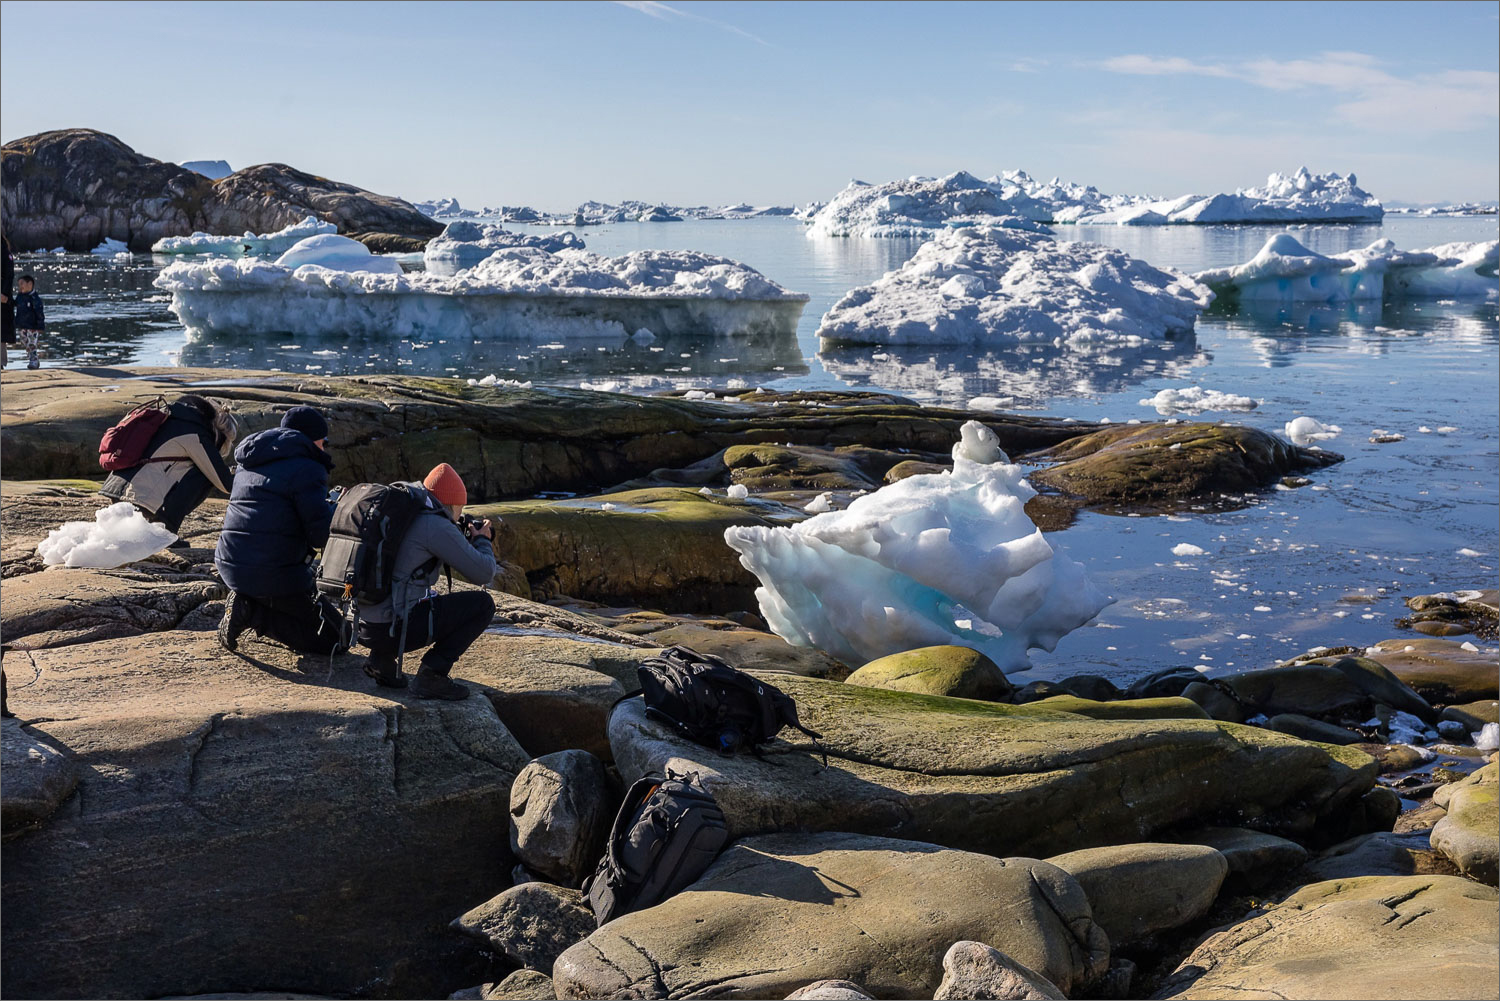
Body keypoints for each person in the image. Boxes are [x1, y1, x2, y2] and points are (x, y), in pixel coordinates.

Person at [356, 463, 497, 700]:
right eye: (460, 509)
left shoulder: (402, 514)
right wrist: (482, 540)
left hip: (362, 627)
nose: (460, 515)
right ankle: (433, 675)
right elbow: (484, 573)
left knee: (414, 594)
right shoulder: (434, 524)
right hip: (393, 629)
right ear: (451, 504)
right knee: (483, 605)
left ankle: (381, 661)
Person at [215, 406, 348, 656]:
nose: (325, 447)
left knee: (303, 605)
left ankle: (249, 601)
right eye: (324, 441)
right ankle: (253, 613)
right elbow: (319, 535)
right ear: (313, 438)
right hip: (272, 573)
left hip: (230, 564)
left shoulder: (251, 460)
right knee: (339, 638)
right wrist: (335, 509)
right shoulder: (308, 467)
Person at [100, 394, 238, 544]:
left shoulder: (168, 417)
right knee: (204, 474)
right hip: (138, 499)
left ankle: (152, 528)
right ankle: (165, 532)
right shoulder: (194, 432)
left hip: (116, 490)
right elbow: (225, 483)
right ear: (219, 433)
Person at [12, 274, 44, 369]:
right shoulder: (20, 296)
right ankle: (31, 357)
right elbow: (15, 304)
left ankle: (34, 361)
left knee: (32, 343)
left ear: (29, 284)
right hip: (22, 325)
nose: (20, 286)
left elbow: (39, 313)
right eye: (19, 284)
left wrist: (40, 326)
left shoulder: (35, 298)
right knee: (25, 342)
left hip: (32, 326)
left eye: (22, 284)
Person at [2, 235, 15, 368]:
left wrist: (4, 293)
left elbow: (9, 275)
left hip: (2, 296)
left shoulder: (5, 253)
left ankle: (1, 362)